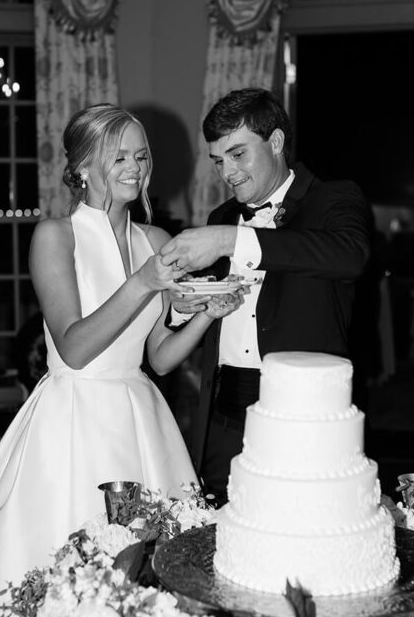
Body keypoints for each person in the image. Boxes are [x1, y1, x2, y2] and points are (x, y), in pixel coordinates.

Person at [0, 104, 245, 617]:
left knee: (152, 586)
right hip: (71, 419)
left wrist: (207, 315)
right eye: (118, 156)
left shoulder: (155, 236)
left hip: (139, 417)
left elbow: (159, 357)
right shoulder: (56, 238)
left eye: (141, 155)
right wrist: (144, 281)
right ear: (82, 167)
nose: (135, 167)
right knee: (61, 575)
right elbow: (74, 348)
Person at [159, 87, 373, 507]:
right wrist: (183, 309)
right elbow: (209, 305)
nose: (228, 172)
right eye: (219, 161)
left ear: (275, 142)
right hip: (221, 420)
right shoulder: (221, 217)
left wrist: (232, 239)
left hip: (301, 418)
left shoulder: (333, 198)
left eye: (238, 154)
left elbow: (350, 257)